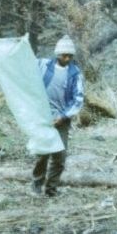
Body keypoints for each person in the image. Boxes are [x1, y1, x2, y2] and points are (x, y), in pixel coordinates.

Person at [33, 35, 85, 197]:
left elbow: (78, 99)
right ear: (57, 54)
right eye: (64, 55)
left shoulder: (75, 74)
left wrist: (63, 116)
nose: (67, 58)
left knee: (59, 156)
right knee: (42, 153)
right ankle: (37, 183)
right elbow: (26, 68)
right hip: (43, 116)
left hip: (62, 119)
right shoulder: (43, 65)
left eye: (70, 55)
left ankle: (51, 189)